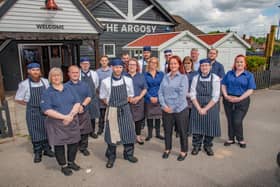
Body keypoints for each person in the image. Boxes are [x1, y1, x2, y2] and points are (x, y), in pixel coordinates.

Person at [41, 68, 81, 176]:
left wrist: (71, 115)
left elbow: (77, 102)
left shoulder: (69, 88)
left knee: (74, 143)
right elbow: (46, 110)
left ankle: (71, 162)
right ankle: (63, 166)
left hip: (71, 120)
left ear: (62, 76)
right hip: (56, 124)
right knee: (59, 145)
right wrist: (64, 117)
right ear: (50, 78)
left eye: (58, 75)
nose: (56, 77)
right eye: (53, 76)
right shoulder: (47, 92)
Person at [99, 58, 138, 168]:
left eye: (120, 67)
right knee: (113, 135)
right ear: (112, 67)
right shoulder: (105, 82)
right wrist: (112, 105)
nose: (118, 69)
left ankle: (128, 154)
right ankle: (111, 157)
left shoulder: (128, 80)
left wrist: (124, 103)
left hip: (125, 109)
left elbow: (130, 95)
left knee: (128, 132)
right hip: (112, 110)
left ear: (122, 68)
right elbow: (102, 96)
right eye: (116, 67)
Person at [15, 62, 54, 163]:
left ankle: (47, 150)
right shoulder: (24, 84)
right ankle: (37, 152)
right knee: (35, 131)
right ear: (29, 71)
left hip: (45, 110)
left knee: (46, 130)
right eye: (33, 70)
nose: (36, 72)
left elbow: (50, 94)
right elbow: (18, 99)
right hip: (32, 111)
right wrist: (30, 105)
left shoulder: (45, 82)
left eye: (37, 70)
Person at [221, 55, 256, 148]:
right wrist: (225, 95)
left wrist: (239, 98)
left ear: (245, 64)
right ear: (235, 63)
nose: (239, 63)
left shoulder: (249, 75)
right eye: (237, 62)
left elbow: (250, 89)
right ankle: (231, 138)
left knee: (237, 120)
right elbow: (223, 85)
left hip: (242, 101)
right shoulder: (229, 73)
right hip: (228, 100)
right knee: (230, 120)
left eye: (241, 62)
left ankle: (240, 139)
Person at [158, 55, 189, 161]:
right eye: (171, 63)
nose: (173, 65)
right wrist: (164, 105)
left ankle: (184, 151)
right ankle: (167, 149)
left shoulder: (183, 77)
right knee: (167, 130)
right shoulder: (165, 76)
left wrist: (172, 108)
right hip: (166, 109)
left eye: (175, 63)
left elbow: (182, 95)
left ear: (179, 64)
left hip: (179, 109)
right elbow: (160, 92)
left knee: (182, 131)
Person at [189, 59, 221, 156]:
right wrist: (199, 108)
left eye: (207, 65)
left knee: (210, 127)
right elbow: (192, 94)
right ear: (200, 67)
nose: (205, 67)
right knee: (197, 127)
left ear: (210, 67)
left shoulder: (215, 78)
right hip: (197, 105)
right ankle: (196, 146)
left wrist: (205, 109)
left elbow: (216, 96)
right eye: (202, 66)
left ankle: (207, 146)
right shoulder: (195, 78)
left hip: (211, 106)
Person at [66, 65, 93, 156]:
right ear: (69, 74)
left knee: (84, 132)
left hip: (83, 111)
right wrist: (74, 109)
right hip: (71, 114)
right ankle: (74, 147)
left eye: (77, 72)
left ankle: (83, 147)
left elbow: (89, 96)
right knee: (73, 132)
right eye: (73, 72)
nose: (75, 74)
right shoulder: (64, 87)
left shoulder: (85, 85)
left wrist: (83, 105)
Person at [126, 58, 147, 145]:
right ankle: (128, 136)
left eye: (134, 65)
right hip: (126, 102)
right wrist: (128, 98)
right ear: (127, 66)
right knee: (127, 120)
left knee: (138, 119)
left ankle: (137, 136)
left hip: (138, 101)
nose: (132, 66)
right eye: (130, 64)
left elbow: (145, 88)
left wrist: (138, 97)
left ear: (137, 66)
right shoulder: (123, 76)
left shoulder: (141, 76)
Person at [144, 57, 164, 141]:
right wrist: (150, 97)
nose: (153, 64)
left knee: (158, 117)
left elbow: (163, 87)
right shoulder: (144, 75)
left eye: (155, 63)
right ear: (149, 63)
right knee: (149, 117)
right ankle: (149, 134)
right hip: (148, 98)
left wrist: (158, 97)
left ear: (157, 64)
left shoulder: (161, 74)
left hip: (159, 98)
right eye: (152, 62)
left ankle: (158, 133)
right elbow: (144, 87)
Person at [79, 57, 100, 139]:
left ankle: (92, 131)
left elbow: (96, 85)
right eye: (83, 64)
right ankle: (83, 133)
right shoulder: (78, 74)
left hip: (92, 98)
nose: (85, 65)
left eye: (87, 64)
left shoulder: (94, 74)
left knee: (92, 116)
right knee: (82, 117)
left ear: (89, 65)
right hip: (81, 99)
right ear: (80, 65)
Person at [96, 55, 112, 136]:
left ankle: (110, 130)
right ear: (100, 62)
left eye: (105, 60)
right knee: (101, 115)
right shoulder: (97, 72)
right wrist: (101, 96)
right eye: (102, 60)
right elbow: (96, 85)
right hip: (101, 97)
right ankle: (100, 129)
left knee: (111, 115)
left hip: (111, 97)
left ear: (108, 61)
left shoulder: (112, 71)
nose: (104, 62)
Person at [183, 56, 198, 134]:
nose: (187, 65)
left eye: (188, 63)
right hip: (182, 97)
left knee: (191, 114)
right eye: (185, 63)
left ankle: (190, 130)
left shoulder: (196, 73)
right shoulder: (181, 73)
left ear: (191, 63)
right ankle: (180, 130)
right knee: (183, 115)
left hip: (192, 96)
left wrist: (191, 93)